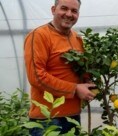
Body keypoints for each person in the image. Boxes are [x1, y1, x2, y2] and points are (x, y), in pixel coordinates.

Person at [24, 0, 96, 135]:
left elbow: (80, 69)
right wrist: (75, 89)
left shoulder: (77, 38)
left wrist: (87, 80)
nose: (69, 14)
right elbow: (36, 77)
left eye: (74, 11)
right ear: (53, 10)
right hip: (48, 119)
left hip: (73, 117)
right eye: (64, 8)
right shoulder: (39, 35)